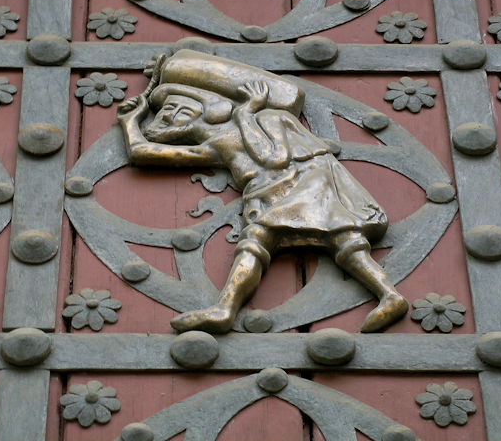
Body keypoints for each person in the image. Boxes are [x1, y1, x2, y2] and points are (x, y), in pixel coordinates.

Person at [117, 52, 408, 334]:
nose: (166, 119)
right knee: (304, 241)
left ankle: (225, 309)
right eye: (166, 111)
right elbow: (144, 153)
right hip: (266, 191)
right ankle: (389, 296)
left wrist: (245, 112)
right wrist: (130, 122)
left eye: (176, 110)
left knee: (331, 238)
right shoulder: (216, 145)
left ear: (205, 110)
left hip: (305, 181)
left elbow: (274, 158)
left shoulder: (270, 119)